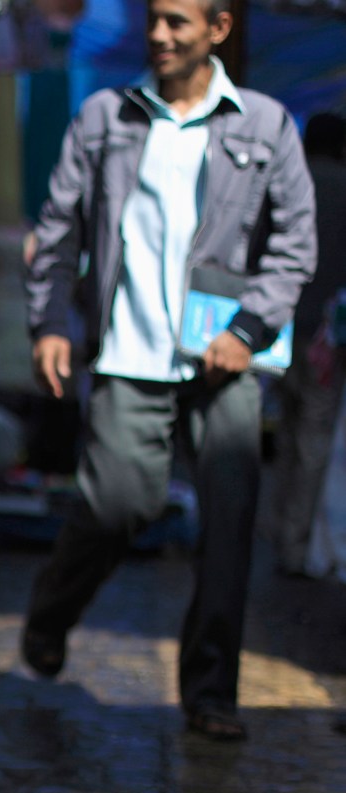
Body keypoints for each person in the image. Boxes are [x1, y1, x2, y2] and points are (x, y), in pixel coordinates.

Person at [21, 0, 317, 741]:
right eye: (154, 19)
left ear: (217, 29)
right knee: (117, 504)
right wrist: (51, 323)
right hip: (128, 353)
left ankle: (211, 693)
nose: (158, 35)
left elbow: (294, 246)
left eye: (177, 22)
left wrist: (247, 331)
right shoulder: (104, 118)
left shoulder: (265, 124)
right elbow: (56, 229)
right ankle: (53, 609)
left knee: (228, 524)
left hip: (224, 362)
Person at [273, 111, 346, 577]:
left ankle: (279, 526)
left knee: (286, 428)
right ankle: (297, 544)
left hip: (281, 324)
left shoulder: (292, 181)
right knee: (313, 435)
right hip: (327, 334)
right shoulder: (342, 186)